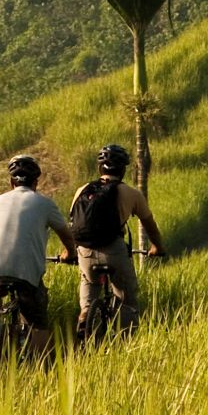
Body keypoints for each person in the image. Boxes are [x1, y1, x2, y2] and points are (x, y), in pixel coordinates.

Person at [0, 153, 74, 355]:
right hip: (26, 272)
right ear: (36, 182)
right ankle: (43, 367)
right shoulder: (45, 204)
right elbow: (66, 234)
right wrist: (70, 253)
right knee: (38, 322)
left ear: (11, 181)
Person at [68, 142, 165, 333]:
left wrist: (71, 251)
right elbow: (150, 226)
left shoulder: (82, 190)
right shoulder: (132, 193)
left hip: (85, 252)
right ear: (122, 169)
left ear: (99, 168)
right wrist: (158, 247)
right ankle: (126, 338)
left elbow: (73, 223)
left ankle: (85, 314)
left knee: (88, 281)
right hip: (114, 250)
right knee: (126, 299)